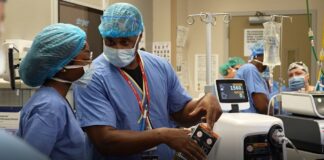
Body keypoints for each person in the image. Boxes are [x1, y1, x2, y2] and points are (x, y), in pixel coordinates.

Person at [74, 3, 222, 160]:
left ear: (140, 36)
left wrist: (203, 103)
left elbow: (180, 112)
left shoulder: (159, 66)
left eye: (125, 42)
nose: (117, 48)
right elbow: (105, 141)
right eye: (110, 42)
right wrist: (161, 135)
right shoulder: (91, 77)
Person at [17, 23, 92, 160]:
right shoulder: (48, 107)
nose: (89, 63)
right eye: (86, 56)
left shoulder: (56, 100)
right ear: (63, 64)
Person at [235, 41, 270, 114]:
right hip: (250, 120)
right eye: (269, 56)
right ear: (259, 56)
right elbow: (262, 106)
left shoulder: (252, 71)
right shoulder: (250, 69)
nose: (269, 60)